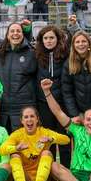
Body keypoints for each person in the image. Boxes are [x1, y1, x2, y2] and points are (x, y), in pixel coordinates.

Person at [0, 104, 71, 181]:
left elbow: (66, 139)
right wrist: (16, 148)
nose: (29, 119)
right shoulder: (17, 134)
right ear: (22, 121)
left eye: (32, 116)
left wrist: (51, 139)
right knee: (14, 155)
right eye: (26, 117)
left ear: (37, 119)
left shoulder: (44, 132)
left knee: (46, 153)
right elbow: (0, 150)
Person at [34, 24, 71, 164]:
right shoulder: (36, 55)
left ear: (58, 39)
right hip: (44, 103)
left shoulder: (66, 53)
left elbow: (83, 43)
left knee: (64, 138)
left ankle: (66, 172)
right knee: (48, 140)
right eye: (46, 38)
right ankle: (50, 173)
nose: (49, 41)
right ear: (41, 40)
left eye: (52, 37)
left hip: (62, 104)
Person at [0, 22, 37, 131]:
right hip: (3, 108)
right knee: (6, 145)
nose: (15, 33)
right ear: (7, 35)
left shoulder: (32, 53)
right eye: (12, 31)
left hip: (24, 107)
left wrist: (28, 30)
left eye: (18, 31)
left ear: (23, 34)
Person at [61, 30, 91, 123]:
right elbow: (67, 92)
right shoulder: (68, 64)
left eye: (84, 41)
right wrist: (74, 114)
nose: (81, 44)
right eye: (77, 42)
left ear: (89, 44)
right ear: (73, 45)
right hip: (78, 113)